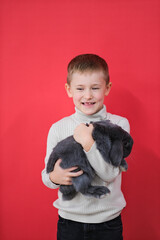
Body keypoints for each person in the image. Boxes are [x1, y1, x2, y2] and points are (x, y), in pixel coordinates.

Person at [41, 54, 130, 240]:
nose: (88, 95)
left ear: (107, 88)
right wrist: (54, 177)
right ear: (69, 90)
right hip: (69, 221)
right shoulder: (58, 128)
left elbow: (109, 174)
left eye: (95, 88)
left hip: (108, 222)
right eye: (80, 88)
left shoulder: (119, 125)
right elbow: (46, 176)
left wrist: (88, 142)